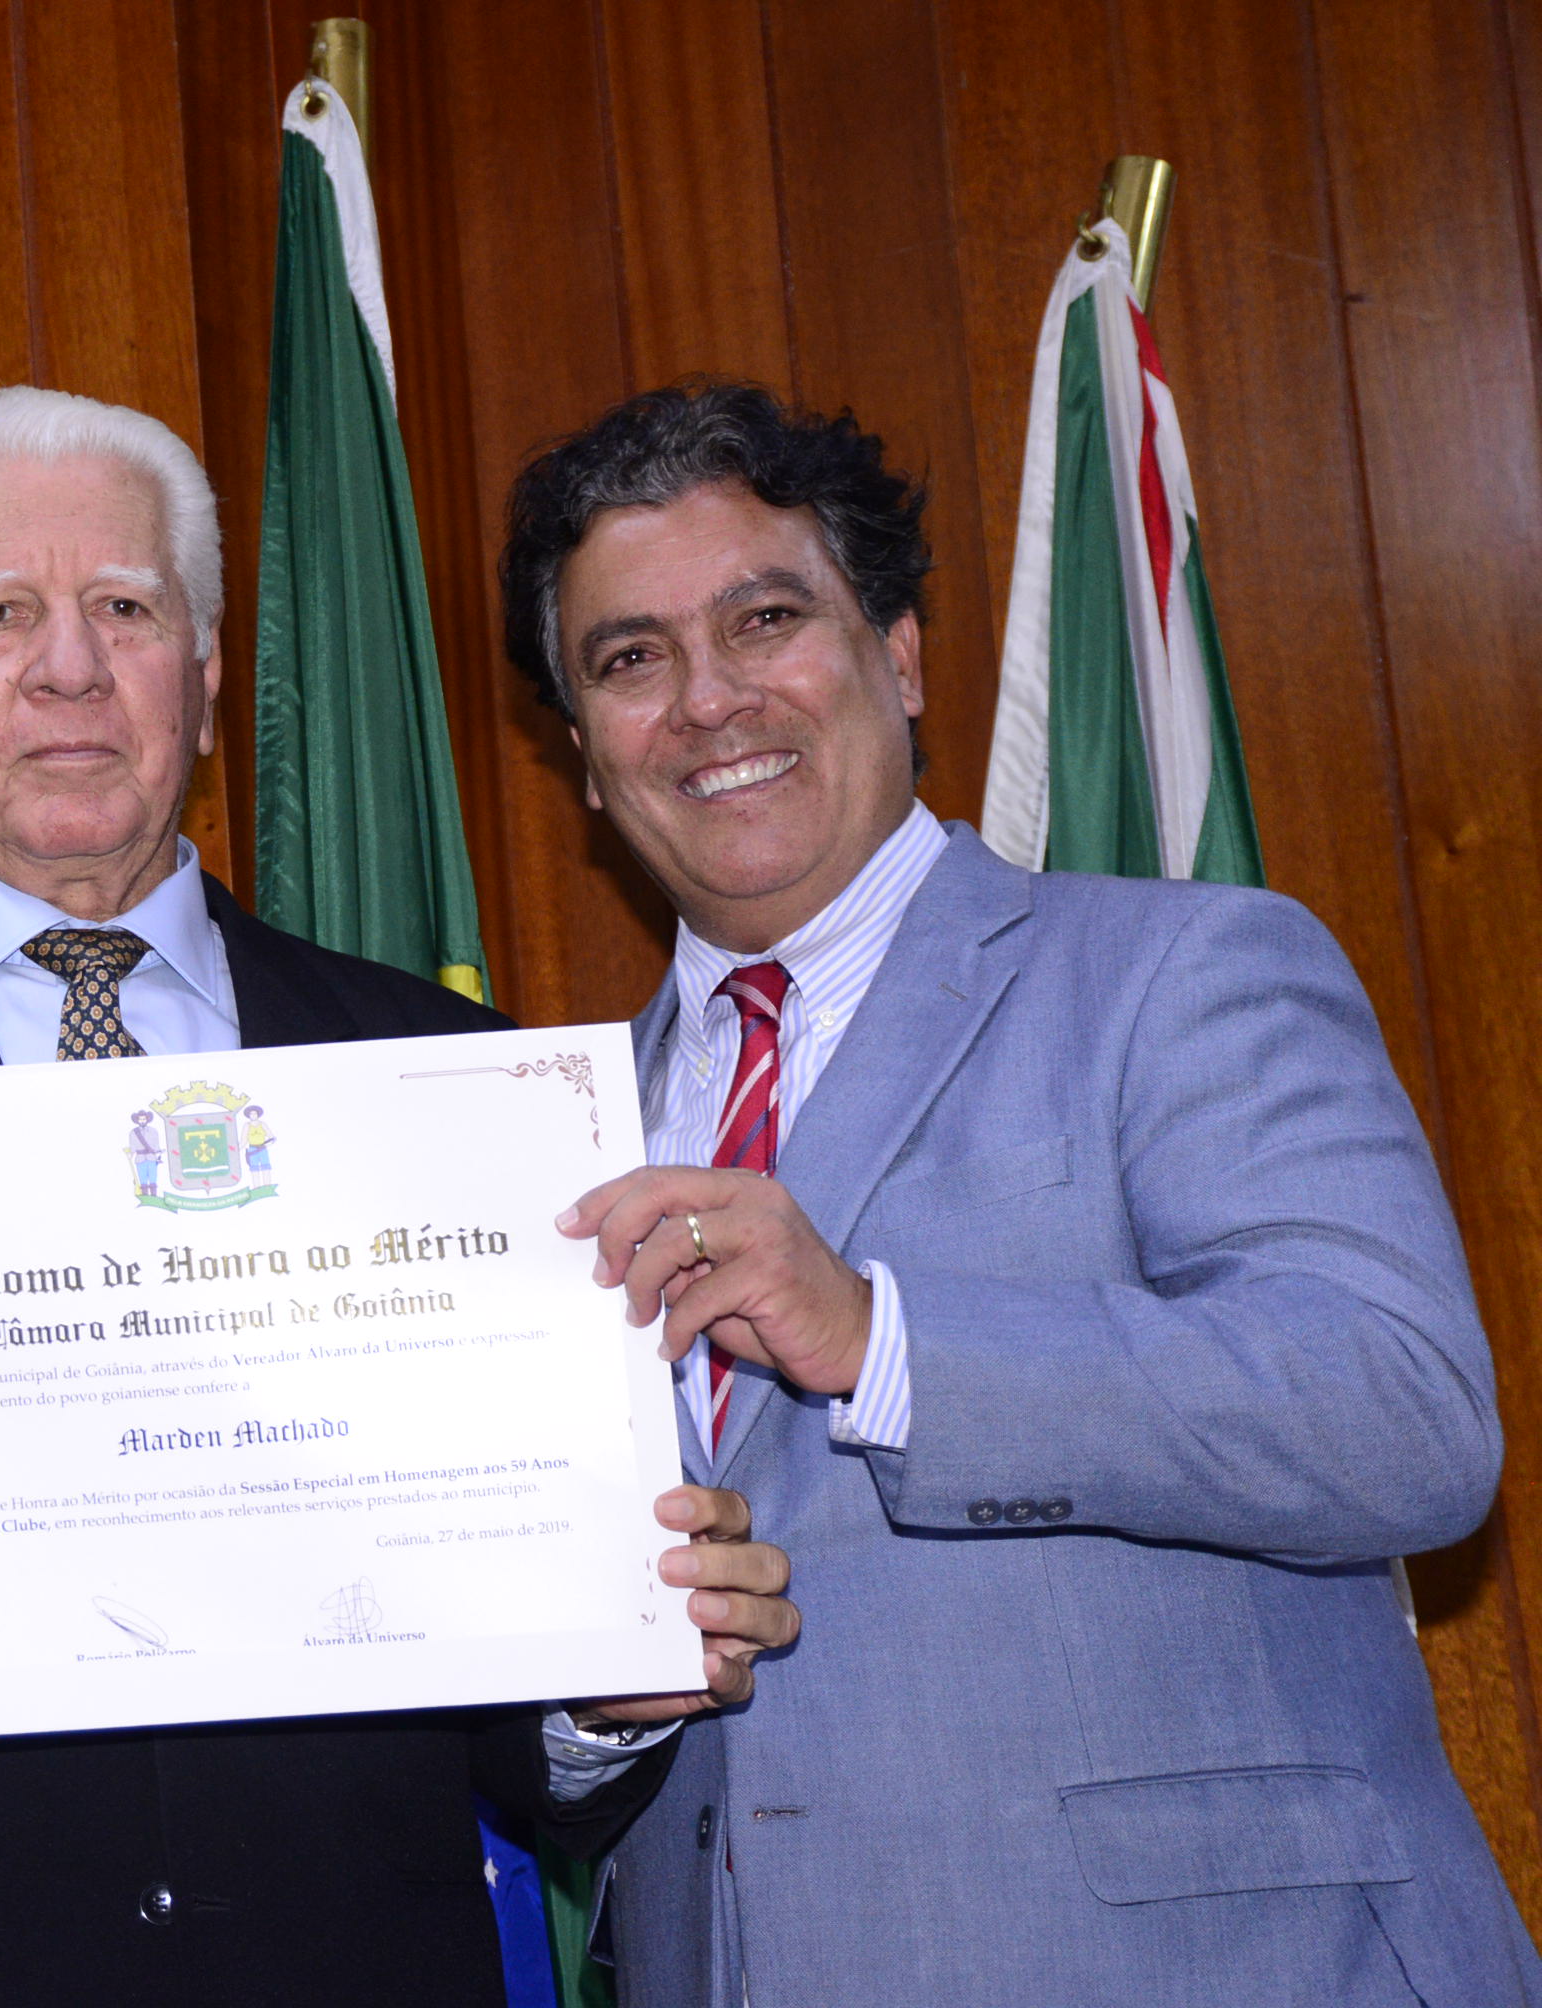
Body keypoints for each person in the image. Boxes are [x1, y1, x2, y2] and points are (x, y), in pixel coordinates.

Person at [0, 386, 801, 2006]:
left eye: (126, 610)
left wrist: (615, 1678)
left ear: (207, 676)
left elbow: (525, 1731)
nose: (69, 668)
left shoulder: (453, 1081)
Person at [499, 380, 1540, 2006]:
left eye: (766, 619)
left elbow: (1403, 1415)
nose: (706, 700)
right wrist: (594, 1712)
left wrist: (884, 1341)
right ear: (582, 753)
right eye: (630, 659)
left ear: (901, 657)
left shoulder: (1182, 972)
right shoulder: (549, 1148)